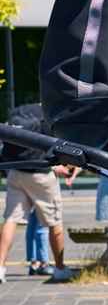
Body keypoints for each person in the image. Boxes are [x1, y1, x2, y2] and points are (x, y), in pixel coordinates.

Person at [0, 113, 75, 283]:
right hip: (41, 175)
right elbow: (54, 148)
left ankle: (0, 267)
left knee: (11, 219)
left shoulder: (19, 113)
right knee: (54, 222)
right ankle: (60, 268)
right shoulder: (47, 116)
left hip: (16, 171)